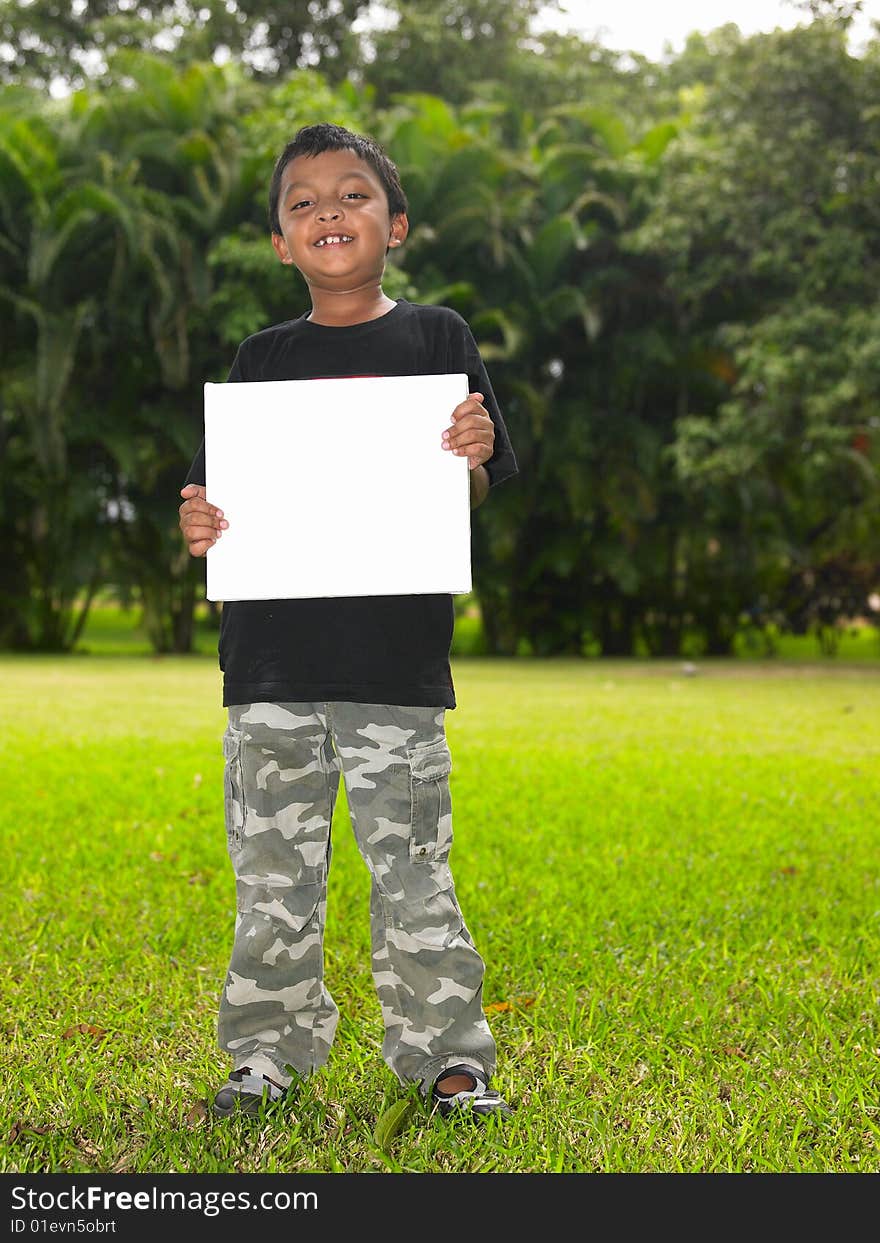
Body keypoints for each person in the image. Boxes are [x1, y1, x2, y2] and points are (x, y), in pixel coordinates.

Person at [178, 122, 519, 1121]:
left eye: (353, 193)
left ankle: (447, 1060)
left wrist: (472, 450)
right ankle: (267, 1055)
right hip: (271, 666)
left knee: (413, 872)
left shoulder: (436, 339)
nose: (329, 209)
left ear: (396, 224)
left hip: (392, 670)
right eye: (302, 201)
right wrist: (202, 520)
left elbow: (481, 482)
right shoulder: (260, 358)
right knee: (272, 878)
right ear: (283, 243)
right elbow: (229, 501)